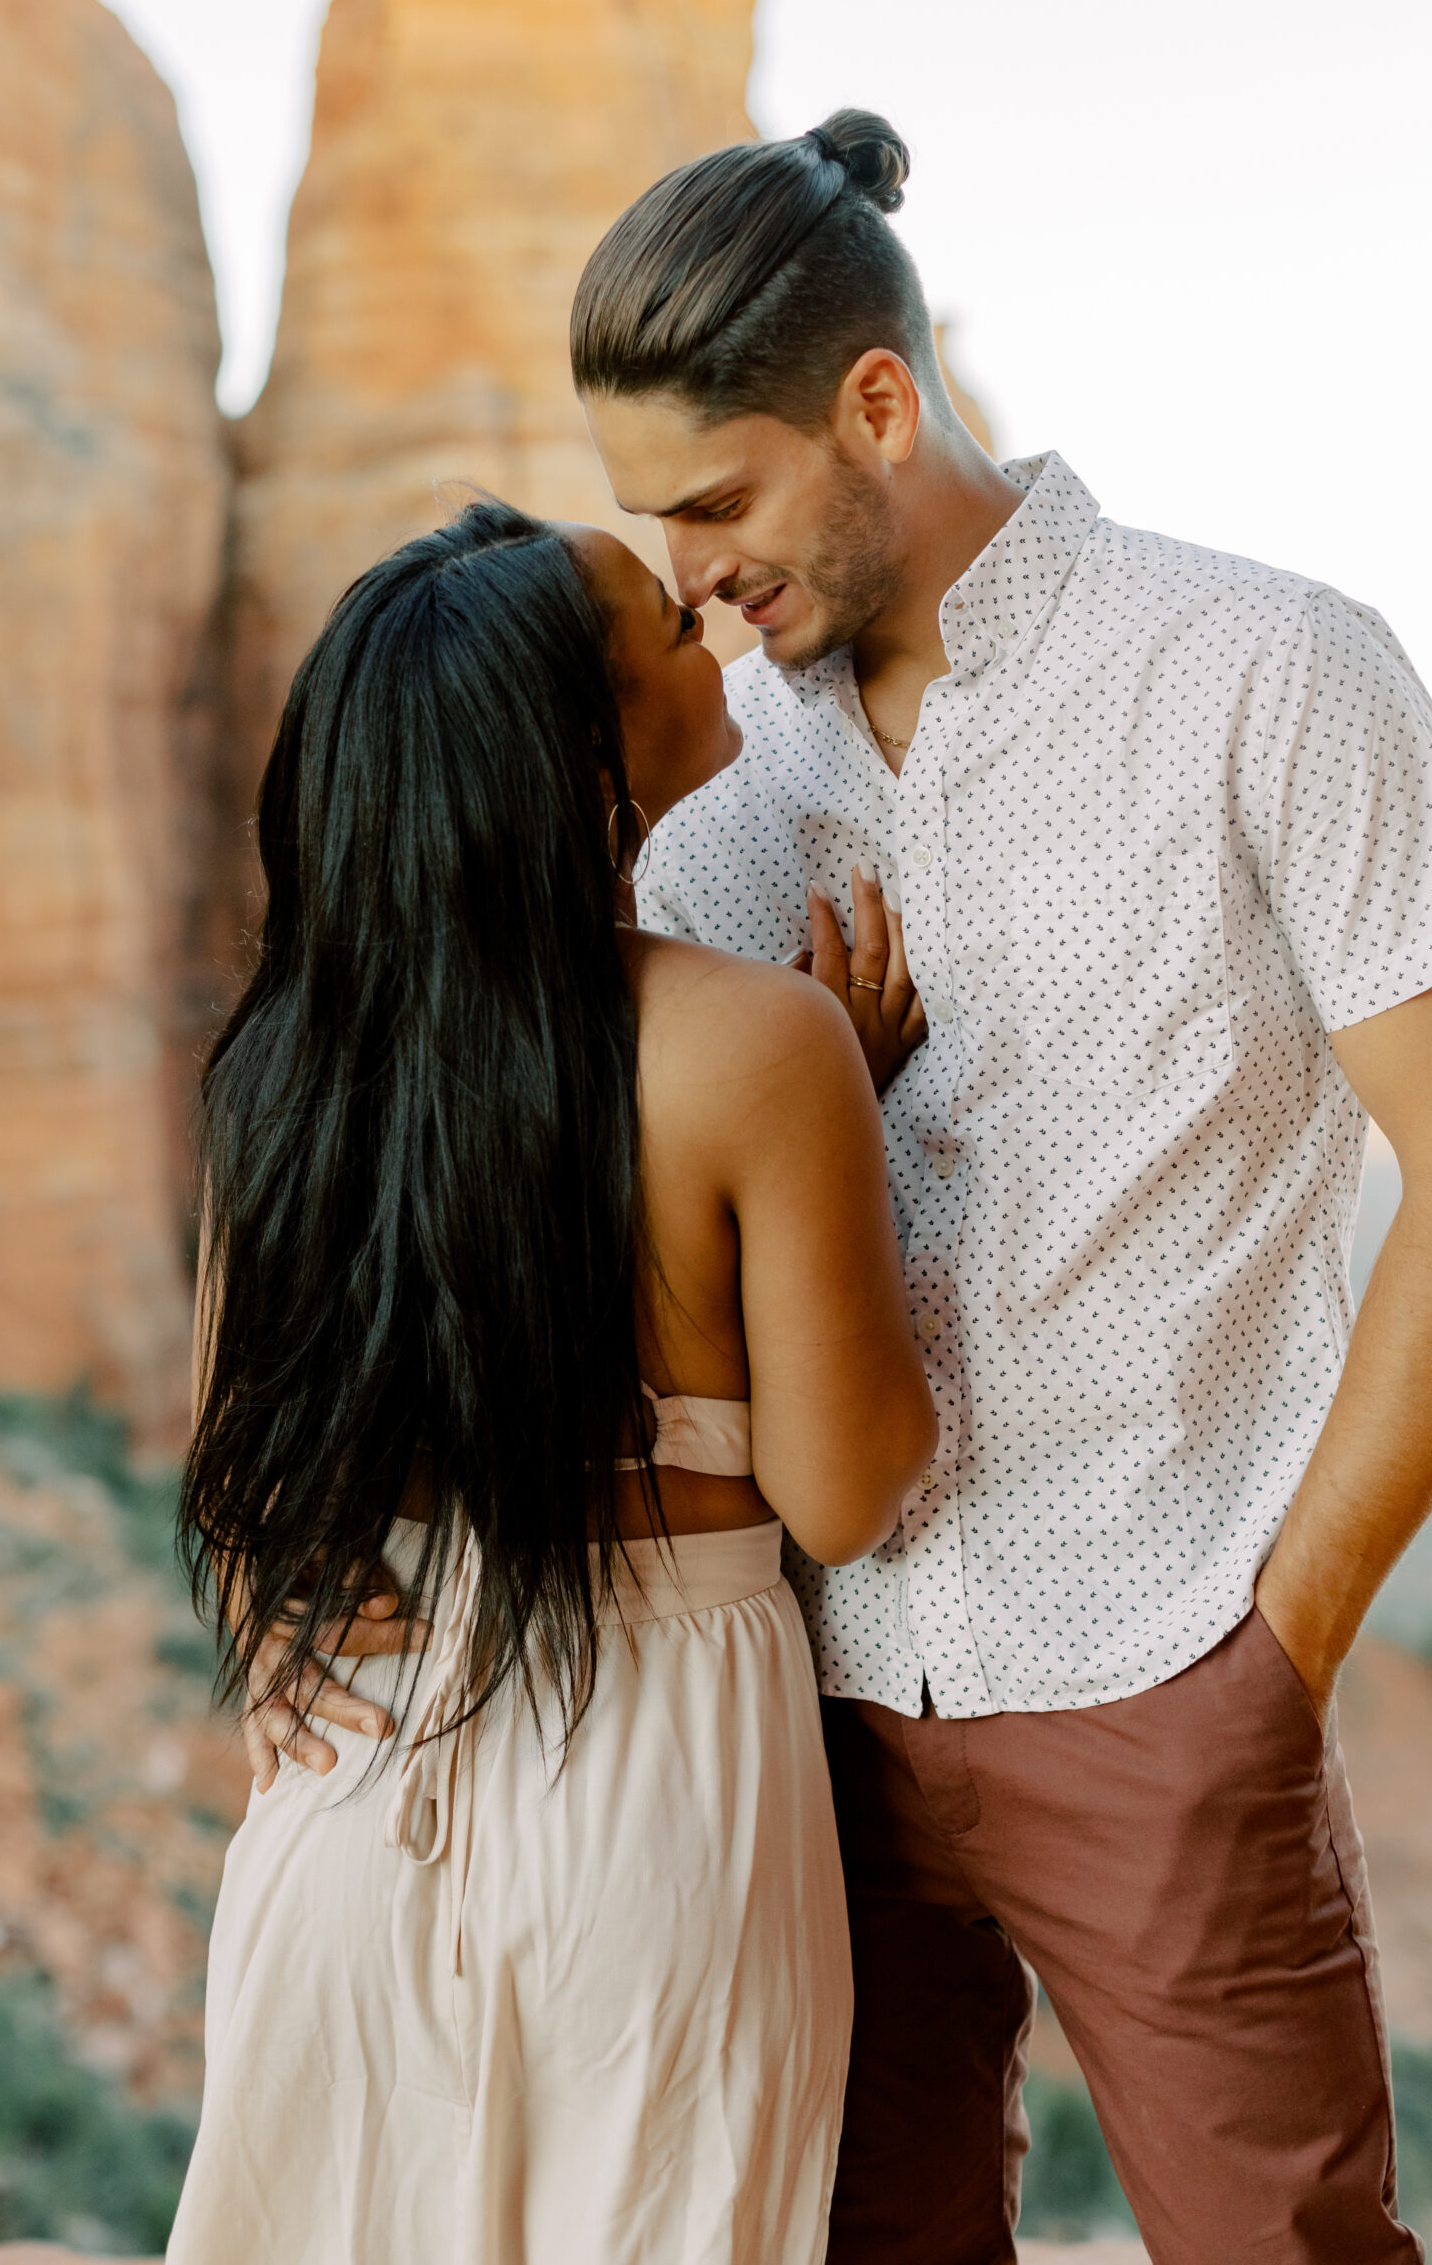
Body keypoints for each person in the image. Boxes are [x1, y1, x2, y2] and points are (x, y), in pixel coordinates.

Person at [560, 112, 1432, 2259]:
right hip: (798, 1714)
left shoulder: (1263, 667)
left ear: (877, 404)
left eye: (713, 501)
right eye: (644, 523)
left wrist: (1270, 1642)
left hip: (1160, 1665)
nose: (683, 578)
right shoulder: (713, 802)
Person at [167, 497, 937, 2265]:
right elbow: (848, 1488)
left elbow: (241, 1470)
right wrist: (849, 1150)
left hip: (347, 1796)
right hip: (656, 1797)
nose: (704, 617)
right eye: (662, 629)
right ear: (581, 755)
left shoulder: (279, 1073)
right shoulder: (761, 1044)